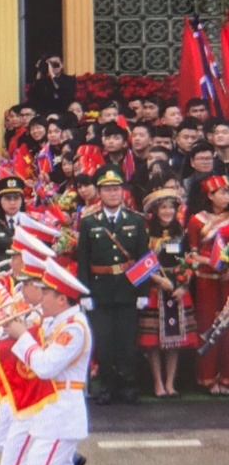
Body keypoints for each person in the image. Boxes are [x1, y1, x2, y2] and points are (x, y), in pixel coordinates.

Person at [1, 259, 117, 465]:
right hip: (54, 412)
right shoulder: (63, 323)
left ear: (62, 298)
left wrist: (22, 337)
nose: (42, 298)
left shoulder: (74, 328)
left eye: (47, 293)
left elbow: (45, 366)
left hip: (61, 413)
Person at [76, 164, 149, 405]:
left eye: (116, 189)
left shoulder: (135, 221)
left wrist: (143, 291)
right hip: (100, 289)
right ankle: (106, 385)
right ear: (99, 192)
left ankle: (127, 385)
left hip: (127, 289)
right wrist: (84, 292)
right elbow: (83, 260)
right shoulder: (89, 222)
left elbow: (143, 258)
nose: (113, 193)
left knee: (127, 342)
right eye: (107, 189)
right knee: (104, 342)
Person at [138, 190, 198, 398]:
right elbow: (140, 264)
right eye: (163, 207)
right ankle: (157, 383)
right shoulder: (145, 234)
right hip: (156, 288)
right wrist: (158, 280)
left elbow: (190, 260)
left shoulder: (181, 234)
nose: (168, 211)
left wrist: (183, 286)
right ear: (155, 211)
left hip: (177, 290)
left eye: (171, 207)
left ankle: (170, 383)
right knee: (153, 341)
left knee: (175, 342)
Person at [186, 174, 229, 395]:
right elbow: (191, 255)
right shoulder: (197, 220)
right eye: (222, 192)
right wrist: (212, 262)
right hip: (206, 279)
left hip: (228, 279)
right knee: (208, 325)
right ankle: (207, 376)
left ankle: (226, 376)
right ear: (210, 195)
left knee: (228, 327)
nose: (226, 197)